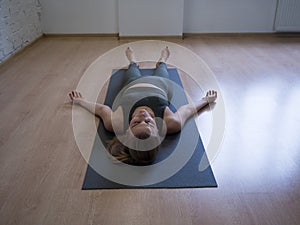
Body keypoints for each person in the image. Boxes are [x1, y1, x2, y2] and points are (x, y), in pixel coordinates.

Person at [69, 47, 217, 165]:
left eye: (136, 123)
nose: (143, 117)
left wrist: (81, 102)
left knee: (132, 69)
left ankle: (133, 60)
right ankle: (163, 59)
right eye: (148, 122)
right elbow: (187, 109)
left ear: (127, 131)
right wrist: (205, 100)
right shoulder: (171, 123)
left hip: (132, 84)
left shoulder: (117, 123)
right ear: (159, 131)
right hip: (160, 84)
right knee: (162, 69)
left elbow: (102, 110)